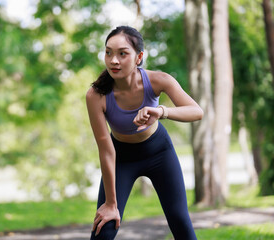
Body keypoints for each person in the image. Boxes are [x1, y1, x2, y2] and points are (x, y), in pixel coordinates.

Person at [86, 26, 203, 240]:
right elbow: (106, 149)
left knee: (179, 220)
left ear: (138, 57)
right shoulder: (96, 95)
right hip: (121, 158)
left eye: (123, 53)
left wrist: (161, 111)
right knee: (105, 228)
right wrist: (111, 204)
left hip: (159, 152)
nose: (114, 60)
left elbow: (197, 111)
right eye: (108, 52)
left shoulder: (158, 80)